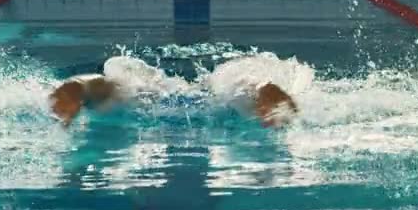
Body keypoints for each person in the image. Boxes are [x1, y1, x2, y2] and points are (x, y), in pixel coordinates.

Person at [49, 55, 303, 128]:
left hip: (157, 101)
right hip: (222, 104)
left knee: (129, 89)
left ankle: (82, 87)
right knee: (232, 89)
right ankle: (258, 89)